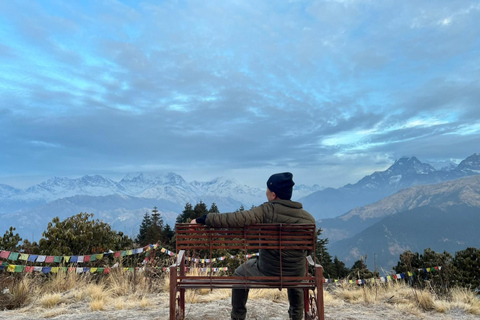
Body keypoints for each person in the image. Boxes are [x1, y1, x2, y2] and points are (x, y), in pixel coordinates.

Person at [190, 172, 316, 320]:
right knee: (296, 276)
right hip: (295, 272)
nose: (266, 193)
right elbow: (309, 249)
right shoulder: (308, 219)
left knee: (239, 273)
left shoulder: (265, 211)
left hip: (268, 270)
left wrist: (204, 219)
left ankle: (238, 316)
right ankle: (296, 316)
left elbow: (236, 219)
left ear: (273, 195)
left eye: (267, 190)